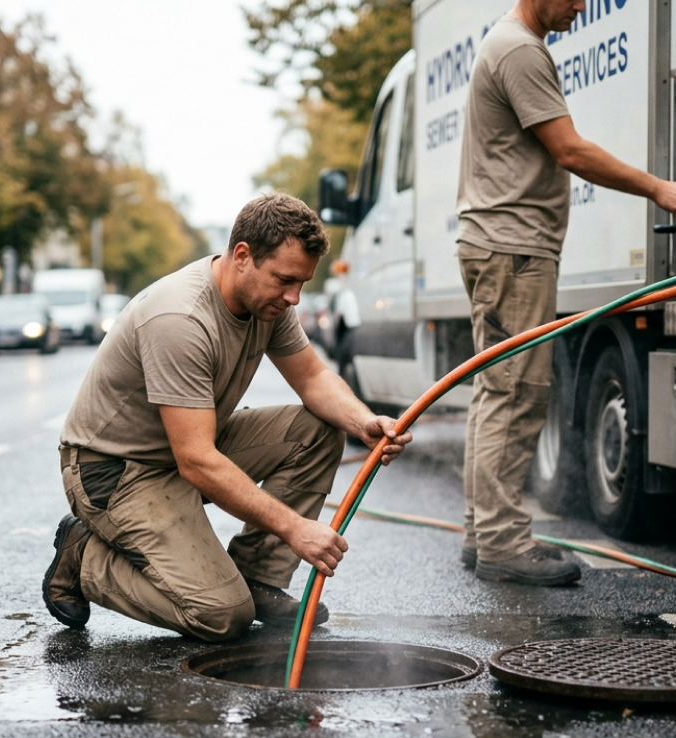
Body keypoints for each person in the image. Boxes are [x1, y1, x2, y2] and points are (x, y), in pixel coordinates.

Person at [42, 194, 411, 641]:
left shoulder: (266, 300)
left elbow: (313, 378)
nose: (294, 297)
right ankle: (85, 561)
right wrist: (296, 529)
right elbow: (197, 461)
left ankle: (257, 577)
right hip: (115, 472)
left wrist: (364, 421)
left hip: (185, 449)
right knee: (221, 616)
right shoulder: (180, 318)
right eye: (285, 280)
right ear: (242, 256)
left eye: (302, 284)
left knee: (317, 430)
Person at [456, 0, 676, 585]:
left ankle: (484, 531)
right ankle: (501, 544)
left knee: (498, 391)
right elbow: (569, 150)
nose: (580, 8)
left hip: (503, 246)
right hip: (513, 249)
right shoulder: (519, 49)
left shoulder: (512, 43)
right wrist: (657, 188)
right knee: (516, 394)